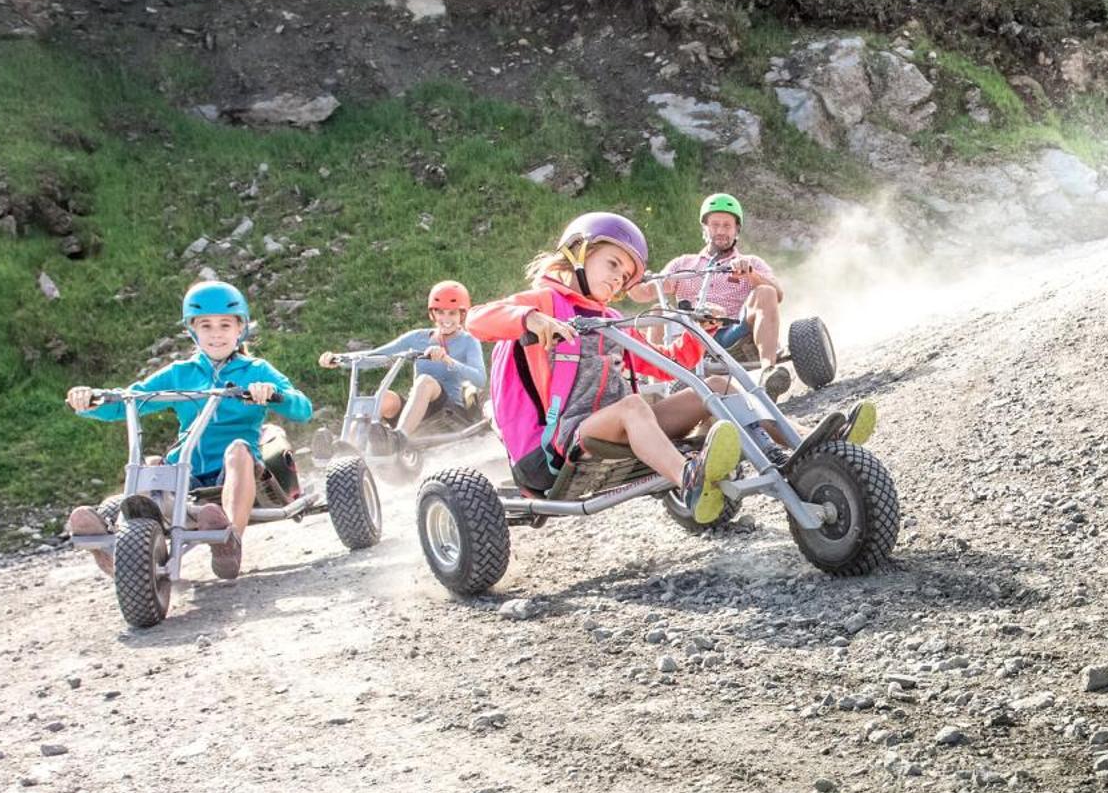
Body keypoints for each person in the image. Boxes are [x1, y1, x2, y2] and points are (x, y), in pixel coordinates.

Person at [470, 212, 744, 524]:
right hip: (558, 444)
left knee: (718, 386)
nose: (618, 278)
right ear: (578, 253)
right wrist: (529, 318)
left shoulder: (613, 320)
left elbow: (668, 365)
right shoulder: (545, 302)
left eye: (626, 276)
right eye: (613, 264)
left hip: (624, 426)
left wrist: (702, 332)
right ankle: (690, 479)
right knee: (633, 406)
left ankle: (796, 455)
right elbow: (476, 319)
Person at [63, 281, 312, 579]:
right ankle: (112, 541)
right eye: (206, 325)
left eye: (224, 325)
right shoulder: (180, 373)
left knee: (238, 450)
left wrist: (271, 394)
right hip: (187, 469)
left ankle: (229, 540)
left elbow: (303, 408)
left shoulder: (256, 370)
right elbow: (128, 400)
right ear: (193, 330)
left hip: (237, 468)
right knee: (153, 465)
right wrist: (90, 400)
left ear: (240, 329)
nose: (216, 333)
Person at [629, 192, 792, 394]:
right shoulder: (684, 264)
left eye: (727, 225)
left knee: (765, 291)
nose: (721, 231)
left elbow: (777, 294)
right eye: (715, 225)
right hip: (690, 336)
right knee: (657, 311)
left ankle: (769, 372)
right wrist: (631, 276)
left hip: (732, 335)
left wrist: (750, 274)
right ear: (705, 228)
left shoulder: (751, 262)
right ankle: (656, 383)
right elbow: (643, 294)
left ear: (736, 230)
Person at [320, 280, 485, 441]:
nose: (445, 318)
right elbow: (377, 356)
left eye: (452, 313)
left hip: (449, 413)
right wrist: (340, 359)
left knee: (425, 381)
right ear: (432, 313)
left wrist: (448, 360)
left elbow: (480, 379)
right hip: (416, 413)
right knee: (383, 397)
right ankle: (349, 449)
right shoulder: (416, 338)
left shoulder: (469, 341)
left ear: (462, 315)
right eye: (440, 312)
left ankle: (399, 438)